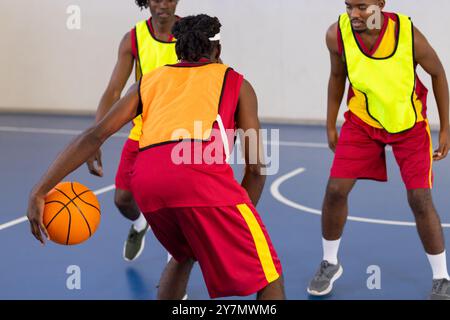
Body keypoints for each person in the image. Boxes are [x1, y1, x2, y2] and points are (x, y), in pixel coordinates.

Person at [27, 14, 285, 300]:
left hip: (148, 185)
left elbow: (95, 135)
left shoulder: (149, 81)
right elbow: (257, 168)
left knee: (183, 254)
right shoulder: (236, 82)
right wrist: (239, 220)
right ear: (218, 51)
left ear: (177, 50)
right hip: (199, 180)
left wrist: (40, 190)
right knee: (269, 273)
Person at [307, 0, 450, 300]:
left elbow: (438, 73)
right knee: (335, 190)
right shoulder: (337, 34)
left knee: (420, 199)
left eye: (362, 7)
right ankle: (329, 262)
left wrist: (446, 128)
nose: (354, 14)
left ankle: (442, 278)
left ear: (381, 4)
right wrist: (330, 122)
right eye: (349, 6)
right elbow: (337, 77)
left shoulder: (408, 35)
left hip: (408, 124)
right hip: (362, 121)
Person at [86, 0, 180, 262]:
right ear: (146, 1)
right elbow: (113, 91)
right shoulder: (133, 39)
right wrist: (95, 138)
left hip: (180, 135)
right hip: (144, 132)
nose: (163, 4)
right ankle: (140, 224)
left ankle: (174, 268)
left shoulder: (190, 34)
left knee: (171, 205)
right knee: (122, 199)